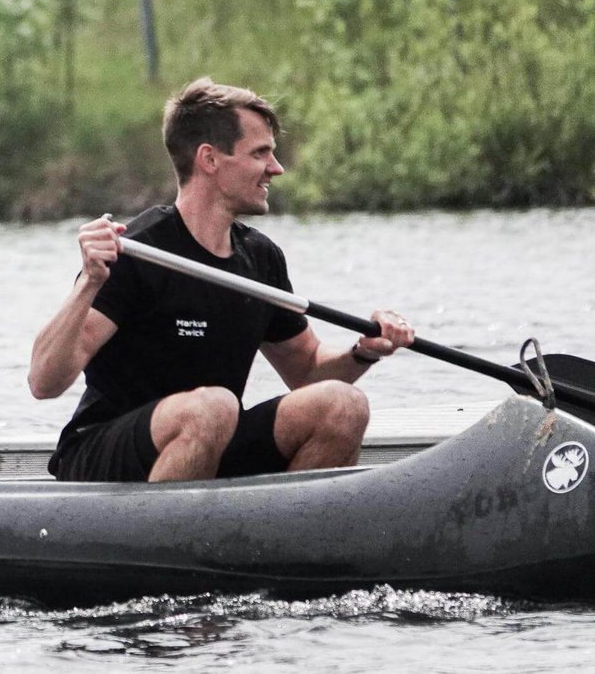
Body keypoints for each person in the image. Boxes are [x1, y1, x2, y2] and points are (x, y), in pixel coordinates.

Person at [28, 77, 416, 483]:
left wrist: (364, 351)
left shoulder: (260, 258)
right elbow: (43, 381)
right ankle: (165, 525)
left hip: (212, 434)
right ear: (210, 159)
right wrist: (89, 282)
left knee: (343, 405)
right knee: (213, 408)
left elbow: (306, 371)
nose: (276, 168)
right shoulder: (137, 251)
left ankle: (282, 525)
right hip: (103, 452)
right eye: (260, 153)